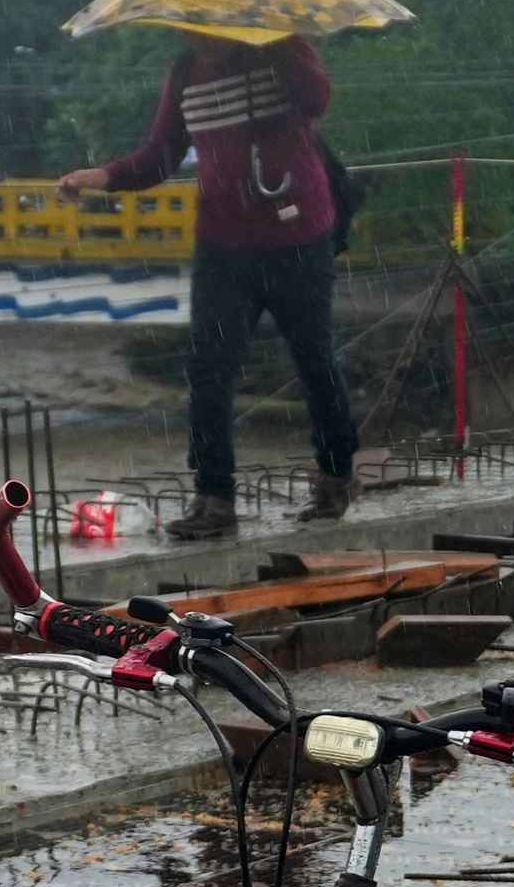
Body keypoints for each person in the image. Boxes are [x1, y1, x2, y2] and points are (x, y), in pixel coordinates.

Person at [62, 27, 358, 539]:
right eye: (186, 29)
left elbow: (317, 100)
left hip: (298, 237)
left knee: (314, 361)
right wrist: (103, 176)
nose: (197, 39)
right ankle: (214, 498)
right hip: (224, 243)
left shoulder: (280, 49)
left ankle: (335, 478)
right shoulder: (184, 74)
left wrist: (282, 45)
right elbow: (160, 156)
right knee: (208, 367)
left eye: (204, 29)